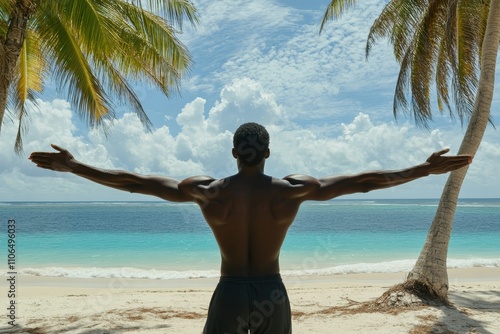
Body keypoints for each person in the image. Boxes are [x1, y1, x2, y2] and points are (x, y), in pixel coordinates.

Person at [28, 122, 472, 334]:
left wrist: (74, 167)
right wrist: (422, 170)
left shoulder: (208, 192)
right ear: (267, 152)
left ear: (234, 150)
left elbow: (134, 184)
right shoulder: (291, 191)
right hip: (272, 294)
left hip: (230, 293)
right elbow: (365, 183)